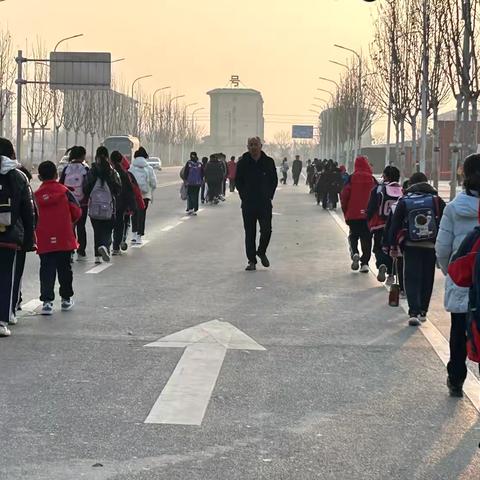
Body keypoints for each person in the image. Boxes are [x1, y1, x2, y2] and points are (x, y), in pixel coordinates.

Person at [436, 154, 480, 397]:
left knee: (458, 331)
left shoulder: (454, 208)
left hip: (463, 279)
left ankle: (456, 379)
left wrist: (450, 271)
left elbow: (442, 248)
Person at [388, 172, 445, 326]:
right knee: (427, 277)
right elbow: (444, 224)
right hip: (431, 244)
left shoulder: (405, 200)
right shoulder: (436, 200)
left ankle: (413, 311)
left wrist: (392, 245)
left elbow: (395, 224)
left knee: (411, 277)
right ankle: (423, 311)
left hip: (410, 244)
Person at [34, 161, 82, 316]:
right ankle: (66, 299)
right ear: (56, 175)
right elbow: (77, 212)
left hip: (44, 239)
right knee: (64, 269)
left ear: (40, 176)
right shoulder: (65, 191)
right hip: (64, 238)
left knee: (46, 270)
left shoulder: (35, 196)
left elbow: (31, 216)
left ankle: (47, 302)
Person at [0, 138, 36, 337]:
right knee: (6, 277)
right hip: (8, 235)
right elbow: (28, 212)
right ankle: (2, 319)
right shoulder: (18, 176)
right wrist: (29, 239)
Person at [236, 137, 278, 271]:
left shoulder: (268, 162)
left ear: (261, 146)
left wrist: (269, 195)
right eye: (251, 145)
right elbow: (238, 181)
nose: (253, 147)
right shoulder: (243, 163)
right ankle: (251, 261)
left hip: (264, 203)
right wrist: (244, 195)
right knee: (250, 233)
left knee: (266, 230)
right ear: (247, 147)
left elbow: (274, 180)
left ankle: (261, 251)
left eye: (256, 145)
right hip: (248, 203)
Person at [84, 147, 121, 263]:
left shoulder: (91, 171)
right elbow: (118, 188)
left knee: (97, 231)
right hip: (109, 206)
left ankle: (97, 256)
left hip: (94, 206)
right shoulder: (112, 172)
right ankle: (105, 246)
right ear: (107, 156)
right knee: (107, 229)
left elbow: (86, 188)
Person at [367, 166, 402, 285]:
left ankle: (382, 263)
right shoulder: (402, 190)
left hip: (379, 224)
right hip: (397, 226)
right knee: (394, 250)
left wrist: (368, 219)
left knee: (378, 247)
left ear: (385, 176)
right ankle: (392, 275)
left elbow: (371, 208)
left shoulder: (378, 189)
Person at [341, 156, 376, 273]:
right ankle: (365, 263)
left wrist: (346, 211)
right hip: (368, 215)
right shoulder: (372, 179)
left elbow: (344, 195)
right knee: (367, 238)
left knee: (353, 235)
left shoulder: (351, 178)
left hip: (353, 214)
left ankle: (355, 252)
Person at [60, 145, 89, 261]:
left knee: (70, 227)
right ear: (82, 156)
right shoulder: (85, 169)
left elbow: (61, 185)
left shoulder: (66, 169)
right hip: (82, 203)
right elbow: (88, 186)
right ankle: (81, 251)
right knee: (81, 227)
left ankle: (70, 250)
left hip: (69, 203)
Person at [110, 151, 137, 255]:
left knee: (109, 225)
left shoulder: (109, 172)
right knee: (119, 224)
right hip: (121, 203)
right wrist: (133, 206)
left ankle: (106, 244)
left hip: (109, 203)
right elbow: (130, 191)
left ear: (110, 160)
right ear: (121, 160)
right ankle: (116, 247)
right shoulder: (124, 173)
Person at [129, 147, 157, 244]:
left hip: (134, 195)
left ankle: (133, 234)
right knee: (142, 214)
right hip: (145, 195)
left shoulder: (131, 168)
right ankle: (139, 236)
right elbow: (154, 183)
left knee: (134, 214)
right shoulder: (149, 168)